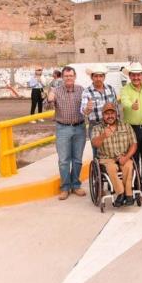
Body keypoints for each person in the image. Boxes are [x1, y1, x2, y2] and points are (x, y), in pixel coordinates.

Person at [47, 66, 87, 200]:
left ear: (75, 77)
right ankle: (65, 187)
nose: (69, 78)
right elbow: (47, 106)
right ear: (62, 77)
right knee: (64, 160)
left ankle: (76, 185)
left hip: (80, 128)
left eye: (71, 76)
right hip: (62, 128)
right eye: (66, 76)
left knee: (77, 159)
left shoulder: (82, 90)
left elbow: (87, 108)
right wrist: (49, 98)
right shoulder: (56, 91)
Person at [91, 102, 138, 207]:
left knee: (129, 165)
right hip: (106, 158)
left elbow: (134, 144)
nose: (110, 116)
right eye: (107, 114)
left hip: (123, 156)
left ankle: (129, 194)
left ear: (116, 114)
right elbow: (95, 144)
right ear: (103, 115)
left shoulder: (126, 126)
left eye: (112, 113)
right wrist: (103, 135)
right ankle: (121, 193)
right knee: (111, 168)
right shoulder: (97, 128)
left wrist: (126, 157)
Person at [120, 62, 142, 196]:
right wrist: (131, 106)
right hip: (131, 130)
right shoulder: (125, 90)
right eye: (133, 75)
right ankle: (135, 185)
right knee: (134, 159)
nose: (136, 78)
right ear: (129, 76)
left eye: (138, 75)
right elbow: (124, 101)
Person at [81, 64, 118, 156]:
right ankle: (99, 169)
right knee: (98, 153)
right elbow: (83, 111)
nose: (98, 78)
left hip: (111, 124)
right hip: (95, 126)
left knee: (114, 150)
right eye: (96, 76)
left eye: (101, 76)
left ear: (104, 77)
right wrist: (87, 109)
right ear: (91, 77)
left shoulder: (111, 89)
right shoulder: (87, 92)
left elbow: (116, 107)